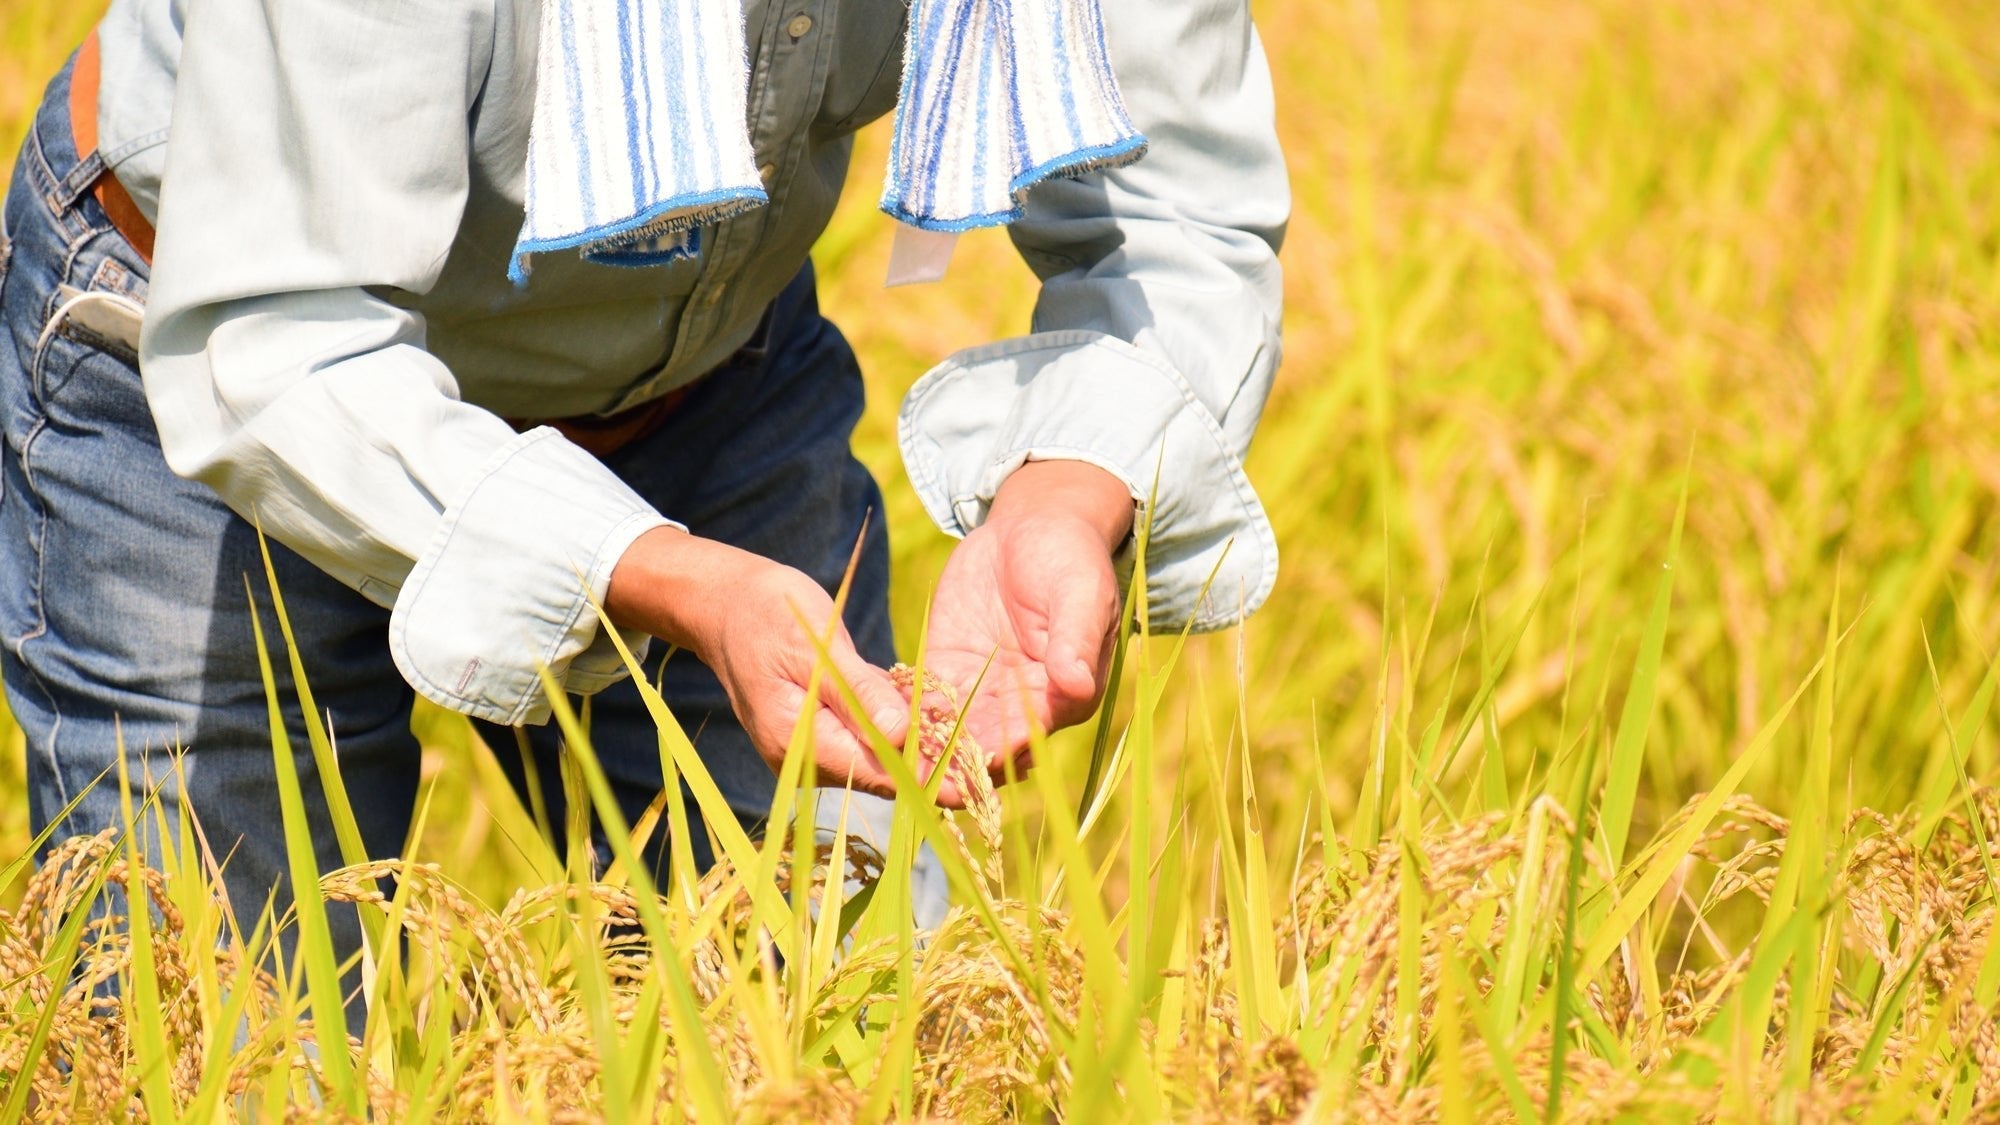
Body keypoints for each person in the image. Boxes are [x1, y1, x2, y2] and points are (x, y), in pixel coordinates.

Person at [0, 0, 1285, 963]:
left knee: (836, 1008)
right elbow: (282, 342)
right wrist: (666, 580)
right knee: (228, 1028)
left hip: (702, 382)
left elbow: (1175, 209)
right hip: (213, 368)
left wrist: (1067, 490)